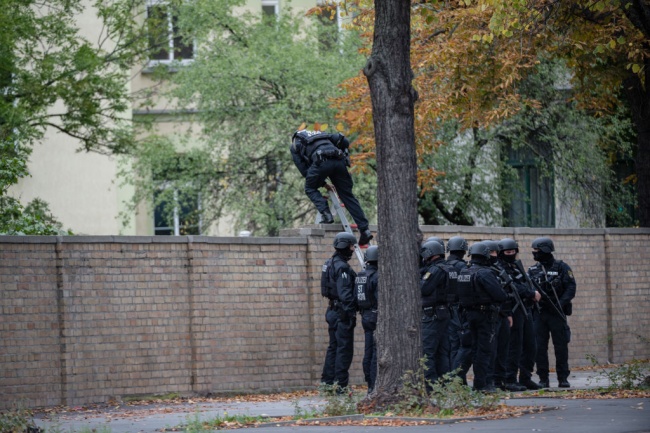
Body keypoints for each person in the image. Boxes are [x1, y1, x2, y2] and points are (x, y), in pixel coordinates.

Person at [290, 129, 373, 246]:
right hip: (338, 161)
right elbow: (343, 139)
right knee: (347, 196)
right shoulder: (321, 134)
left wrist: (322, 183)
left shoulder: (295, 146)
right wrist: (345, 153)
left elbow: (304, 171)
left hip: (321, 162)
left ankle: (326, 214)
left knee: (309, 188)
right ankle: (365, 230)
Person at [456, 242, 507, 392]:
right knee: (484, 350)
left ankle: (455, 379)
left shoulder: (464, 272)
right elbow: (500, 295)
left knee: (468, 349)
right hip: (484, 316)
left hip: (467, 315)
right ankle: (481, 385)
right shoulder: (485, 273)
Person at [528, 237, 576, 388]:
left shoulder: (562, 267)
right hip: (540, 313)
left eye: (537, 251)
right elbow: (527, 290)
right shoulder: (532, 270)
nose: (534, 254)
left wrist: (560, 304)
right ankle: (543, 378)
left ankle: (563, 377)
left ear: (546, 250)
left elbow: (571, 288)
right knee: (539, 347)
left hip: (557, 312)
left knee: (561, 346)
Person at [497, 238, 539, 392]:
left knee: (530, 345)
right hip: (513, 309)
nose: (512, 254)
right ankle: (510, 378)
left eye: (514, 251)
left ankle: (525, 378)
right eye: (508, 252)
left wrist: (531, 292)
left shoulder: (516, 266)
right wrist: (530, 293)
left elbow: (524, 283)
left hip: (525, 308)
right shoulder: (500, 268)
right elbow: (513, 287)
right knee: (514, 346)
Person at [326, 232, 359, 390]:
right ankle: (341, 385)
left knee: (333, 347)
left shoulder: (329, 263)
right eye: (352, 246)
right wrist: (351, 312)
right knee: (344, 349)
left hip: (332, 311)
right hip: (342, 313)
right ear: (345, 246)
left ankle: (327, 383)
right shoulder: (342, 267)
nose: (353, 249)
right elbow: (345, 294)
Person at [419, 240, 451, 387]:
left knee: (428, 351)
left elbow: (424, 289)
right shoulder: (448, 267)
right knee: (442, 352)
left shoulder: (435, 270)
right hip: (444, 313)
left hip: (433, 316)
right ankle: (443, 384)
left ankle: (430, 385)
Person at [354, 246, 379, 393]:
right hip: (376, 316)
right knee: (376, 352)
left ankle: (369, 383)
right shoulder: (377, 276)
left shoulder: (360, 276)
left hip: (365, 315)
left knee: (368, 350)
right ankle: (374, 385)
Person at [445, 236, 469, 369]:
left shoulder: (444, 265)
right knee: (459, 344)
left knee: (450, 344)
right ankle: (456, 377)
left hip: (446, 308)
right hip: (458, 309)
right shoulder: (462, 266)